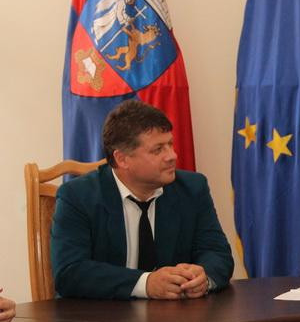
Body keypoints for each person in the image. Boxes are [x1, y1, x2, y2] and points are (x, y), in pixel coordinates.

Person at [51, 100, 233, 300]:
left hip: (175, 315)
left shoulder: (192, 188)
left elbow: (217, 253)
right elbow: (70, 272)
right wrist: (145, 283)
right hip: (100, 315)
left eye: (170, 144)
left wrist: (203, 277)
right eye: (158, 149)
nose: (172, 156)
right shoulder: (77, 196)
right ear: (122, 159)